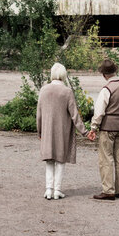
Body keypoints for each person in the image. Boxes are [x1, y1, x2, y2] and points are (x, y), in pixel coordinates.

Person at [37, 62, 93, 200]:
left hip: (47, 130)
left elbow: (38, 114)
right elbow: (75, 115)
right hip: (62, 131)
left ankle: (48, 190)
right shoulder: (67, 92)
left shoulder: (44, 90)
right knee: (60, 160)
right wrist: (85, 132)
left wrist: (40, 132)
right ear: (64, 75)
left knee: (49, 160)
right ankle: (57, 190)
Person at [89, 59, 119, 201]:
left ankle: (108, 190)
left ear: (104, 74)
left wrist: (93, 127)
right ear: (115, 71)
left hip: (108, 127)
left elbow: (99, 111)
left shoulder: (107, 89)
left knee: (106, 158)